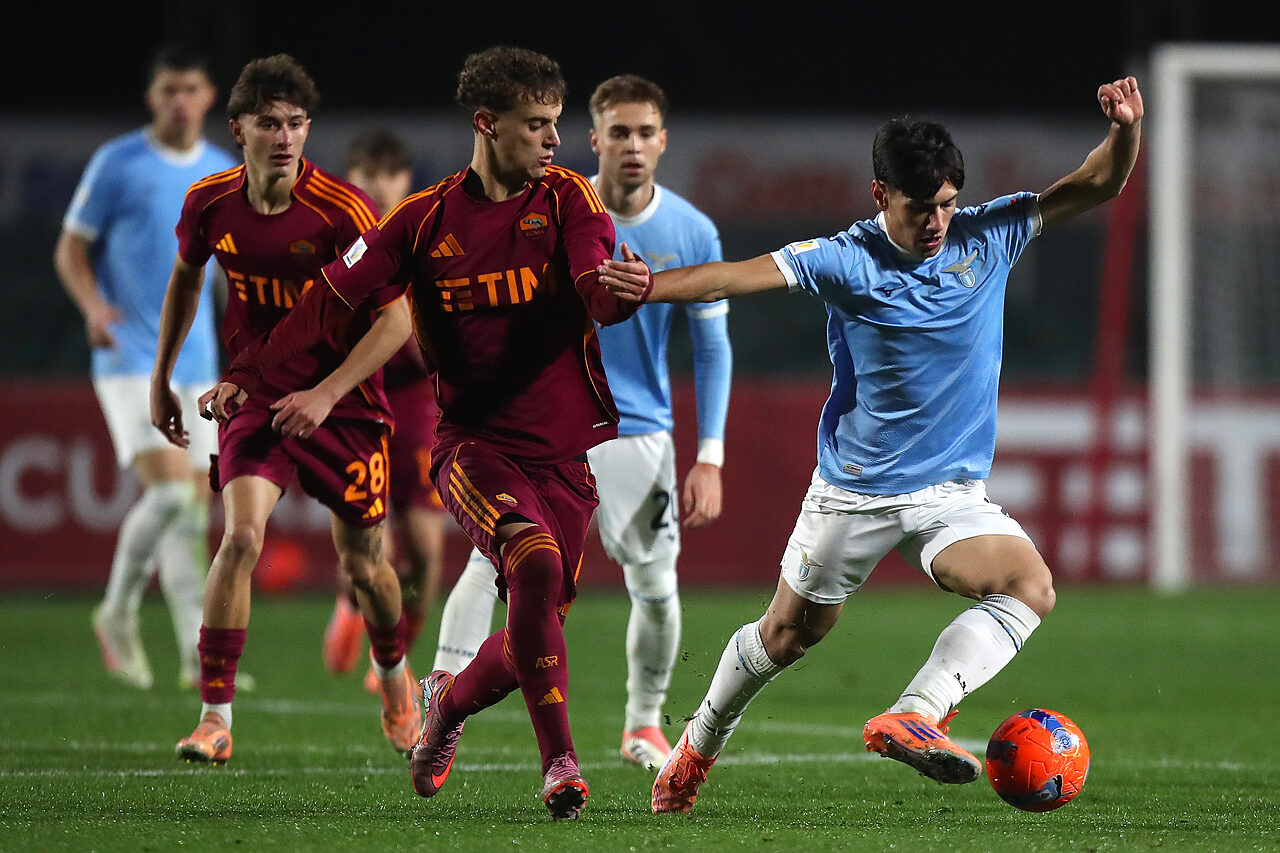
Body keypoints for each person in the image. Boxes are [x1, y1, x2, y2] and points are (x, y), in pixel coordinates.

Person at [600, 77, 1144, 813]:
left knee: (1030, 585)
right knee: (787, 636)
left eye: (949, 203)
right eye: (922, 208)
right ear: (881, 193)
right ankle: (696, 744)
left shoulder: (991, 234)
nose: (939, 222)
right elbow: (734, 274)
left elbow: (1099, 182)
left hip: (950, 493)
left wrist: (1124, 132)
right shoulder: (844, 257)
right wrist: (648, 287)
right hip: (854, 491)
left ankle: (915, 711)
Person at [200, 46, 642, 819]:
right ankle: (561, 763)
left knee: (526, 638)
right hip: (474, 445)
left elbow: (592, 284)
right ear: (486, 123)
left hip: (565, 458)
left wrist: (619, 296)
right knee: (532, 566)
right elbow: (328, 301)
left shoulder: (571, 199)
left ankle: (445, 707)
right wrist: (253, 368)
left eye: (555, 124)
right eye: (535, 125)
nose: (553, 141)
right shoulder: (422, 221)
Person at [430, 74, 733, 772]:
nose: (632, 145)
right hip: (540, 427)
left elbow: (712, 344)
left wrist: (710, 454)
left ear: (663, 141)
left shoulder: (690, 229)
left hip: (639, 432)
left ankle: (642, 724)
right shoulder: (549, 208)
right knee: (494, 563)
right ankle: (442, 702)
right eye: (618, 132)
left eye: (645, 132)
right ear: (594, 139)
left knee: (656, 587)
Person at [150, 54, 419, 765]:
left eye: (297, 123)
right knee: (239, 540)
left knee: (366, 566)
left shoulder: (342, 212)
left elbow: (395, 324)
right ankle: (214, 717)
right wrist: (163, 376)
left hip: (346, 401)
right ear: (237, 128)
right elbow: (184, 282)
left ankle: (394, 675)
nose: (285, 136)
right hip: (257, 395)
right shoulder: (209, 202)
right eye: (269, 123)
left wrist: (326, 393)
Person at [55, 44, 238, 691]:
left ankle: (197, 655)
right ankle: (117, 611)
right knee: (168, 493)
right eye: (169, 90)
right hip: (129, 354)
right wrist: (92, 305)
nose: (180, 101)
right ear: (152, 97)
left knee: (191, 510)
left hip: (200, 362)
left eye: (191, 88)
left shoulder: (222, 171)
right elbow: (70, 248)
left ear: (210, 95)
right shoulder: (118, 163)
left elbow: (222, 275)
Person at [322, 130, 450, 696]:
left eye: (389, 172)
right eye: (366, 172)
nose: (377, 183)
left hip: (417, 402)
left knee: (424, 557)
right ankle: (355, 607)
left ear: (404, 179)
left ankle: (396, 646)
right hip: (354, 398)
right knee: (368, 545)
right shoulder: (331, 240)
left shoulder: (424, 237)